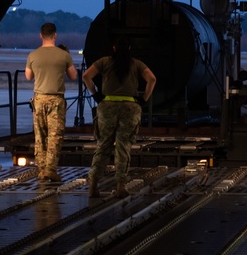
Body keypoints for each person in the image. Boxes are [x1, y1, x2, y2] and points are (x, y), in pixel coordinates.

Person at [82, 37, 156, 198]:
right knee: (123, 146)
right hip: (130, 107)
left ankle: (93, 185)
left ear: (113, 48)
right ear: (129, 49)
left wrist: (95, 94)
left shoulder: (104, 62)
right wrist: (144, 99)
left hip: (107, 107)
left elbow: (86, 76)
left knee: (103, 145)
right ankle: (120, 186)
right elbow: (152, 79)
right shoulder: (136, 64)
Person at [24, 22, 77, 183]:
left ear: (41, 35)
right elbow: (73, 76)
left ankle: (41, 170)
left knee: (40, 135)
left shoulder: (33, 55)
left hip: (39, 100)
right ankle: (50, 170)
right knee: (55, 136)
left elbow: (28, 77)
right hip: (56, 100)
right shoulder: (64, 55)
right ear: (55, 35)